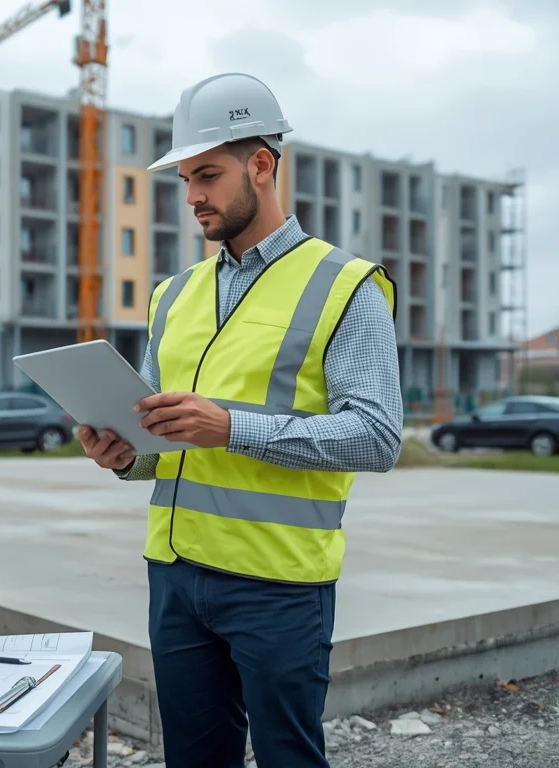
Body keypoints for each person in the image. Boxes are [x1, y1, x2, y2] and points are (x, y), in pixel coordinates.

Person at [78, 72, 403, 768]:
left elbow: (377, 438)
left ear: (263, 164)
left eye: (209, 174)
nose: (192, 194)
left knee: (288, 757)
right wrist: (126, 454)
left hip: (278, 584)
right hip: (174, 575)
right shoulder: (173, 295)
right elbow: (165, 443)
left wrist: (233, 426)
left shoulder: (346, 286)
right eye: (186, 178)